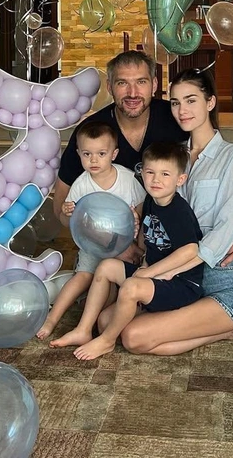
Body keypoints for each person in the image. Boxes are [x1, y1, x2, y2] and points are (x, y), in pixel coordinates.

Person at [97, 68, 233, 356]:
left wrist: (156, 273)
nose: (182, 110)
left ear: (210, 102)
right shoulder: (173, 156)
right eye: (175, 102)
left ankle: (232, 327)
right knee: (106, 322)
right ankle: (215, 327)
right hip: (182, 282)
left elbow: (225, 229)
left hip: (224, 281)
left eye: (191, 100)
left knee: (133, 338)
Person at [52, 50, 233, 271]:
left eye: (141, 82)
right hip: (109, 245)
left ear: (154, 84)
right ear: (109, 87)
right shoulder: (91, 133)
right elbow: (61, 207)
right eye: (122, 83)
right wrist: (115, 247)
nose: (132, 93)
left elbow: (229, 173)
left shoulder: (178, 118)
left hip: (171, 248)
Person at [51, 142, 204, 360]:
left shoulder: (177, 210)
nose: (156, 180)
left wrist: (148, 272)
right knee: (106, 267)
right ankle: (83, 329)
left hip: (180, 283)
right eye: (150, 172)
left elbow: (190, 250)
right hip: (153, 275)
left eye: (165, 174)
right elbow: (148, 242)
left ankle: (107, 341)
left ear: (180, 179)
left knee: (131, 288)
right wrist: (140, 249)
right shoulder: (151, 201)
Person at [36, 120, 146, 340]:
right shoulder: (81, 184)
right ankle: (52, 318)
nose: (93, 160)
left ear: (114, 154)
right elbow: (72, 223)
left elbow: (143, 211)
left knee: (110, 284)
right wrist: (67, 213)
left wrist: (136, 228)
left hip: (122, 245)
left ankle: (92, 322)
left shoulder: (127, 179)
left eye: (101, 154)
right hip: (93, 243)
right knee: (82, 277)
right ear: (79, 154)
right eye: (87, 154)